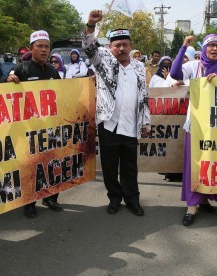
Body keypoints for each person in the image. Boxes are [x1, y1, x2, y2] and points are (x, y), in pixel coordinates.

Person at [83, 10, 151, 216]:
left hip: (131, 125)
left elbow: (143, 95)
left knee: (130, 167)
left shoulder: (139, 67)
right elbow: (88, 47)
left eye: (125, 45)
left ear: (130, 47)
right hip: (109, 124)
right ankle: (114, 198)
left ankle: (132, 200)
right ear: (110, 47)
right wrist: (91, 25)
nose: (121, 48)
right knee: (110, 167)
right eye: (117, 45)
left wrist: (146, 121)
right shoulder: (102, 62)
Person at [170, 34, 217, 226]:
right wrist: (183, 47)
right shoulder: (194, 66)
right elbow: (175, 73)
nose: (214, 49)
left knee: (213, 165)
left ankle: (205, 198)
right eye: (211, 46)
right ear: (204, 49)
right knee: (195, 166)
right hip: (197, 125)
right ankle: (192, 206)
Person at [6, 30, 64, 218]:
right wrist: (8, 80)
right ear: (31, 48)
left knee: (51, 163)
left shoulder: (52, 71)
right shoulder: (21, 69)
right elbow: (3, 92)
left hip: (49, 129)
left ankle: (50, 198)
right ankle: (30, 203)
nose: (44, 50)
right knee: (31, 167)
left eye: (47, 46)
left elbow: (62, 96)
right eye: (40, 46)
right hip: (28, 131)